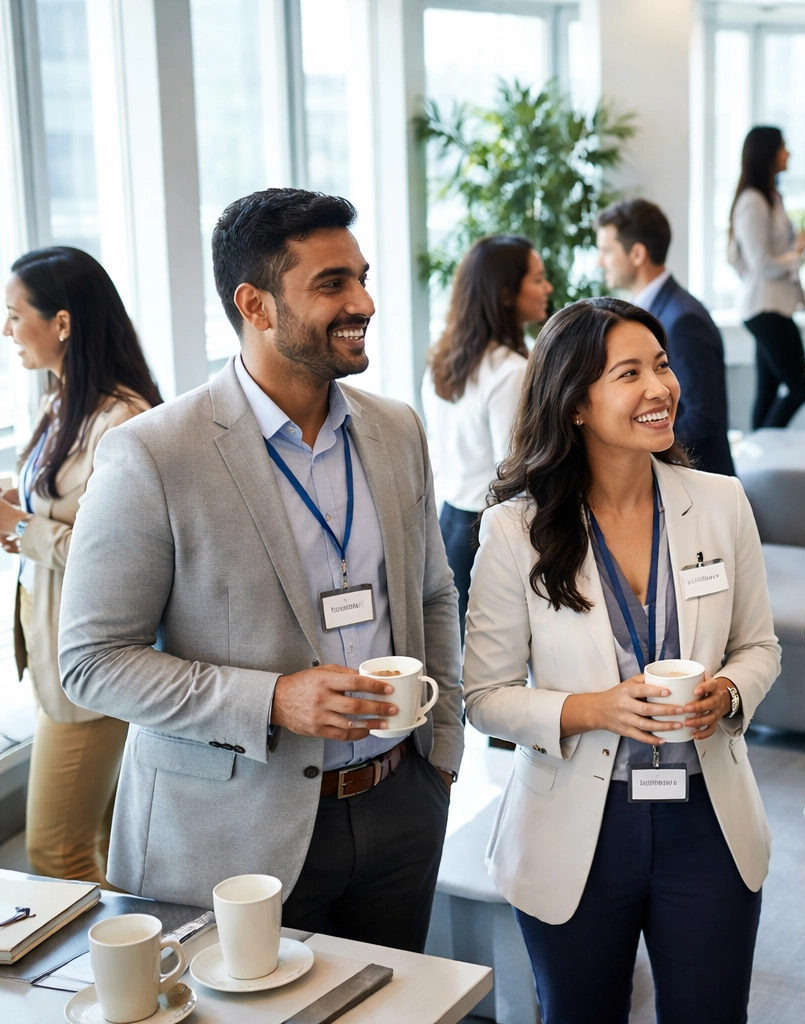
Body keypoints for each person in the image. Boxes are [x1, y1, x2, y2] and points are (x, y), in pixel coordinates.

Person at [59, 189, 463, 951]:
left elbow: (434, 594)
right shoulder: (153, 453)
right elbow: (90, 663)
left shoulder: (396, 429)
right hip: (229, 835)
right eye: (332, 284)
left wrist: (438, 758)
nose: (365, 302)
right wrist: (271, 700)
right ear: (256, 304)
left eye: (362, 277)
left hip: (397, 807)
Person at [462, 297, 780, 1023]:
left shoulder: (721, 502)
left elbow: (759, 646)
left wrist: (728, 693)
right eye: (629, 373)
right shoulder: (516, 529)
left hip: (708, 821)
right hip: (577, 821)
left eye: (662, 367)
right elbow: (484, 694)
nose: (660, 388)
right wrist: (591, 709)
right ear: (575, 402)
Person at [1, 248, 161, 885]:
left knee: (55, 854)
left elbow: (118, 557)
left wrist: (17, 526)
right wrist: (23, 507)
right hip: (55, 655)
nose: (6, 331)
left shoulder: (121, 420)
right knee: (104, 842)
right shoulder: (60, 400)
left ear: (61, 322)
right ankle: (130, 978)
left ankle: (101, 981)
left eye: (14, 316)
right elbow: (61, 508)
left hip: (91, 666)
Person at [422, 234, 551, 636]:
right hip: (490, 527)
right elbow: (515, 474)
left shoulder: (443, 361)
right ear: (507, 293)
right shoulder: (511, 371)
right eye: (539, 279)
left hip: (450, 523)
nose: (548, 288)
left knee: (464, 653)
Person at [597, 198, 734, 475]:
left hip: (695, 484)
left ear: (637, 254)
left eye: (607, 251)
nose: (600, 261)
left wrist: (632, 442)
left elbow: (702, 419)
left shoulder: (683, 320)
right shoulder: (650, 310)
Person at [728, 125, 805, 430]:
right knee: (800, 386)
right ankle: (764, 449)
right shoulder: (752, 201)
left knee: (767, 391)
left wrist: (793, 249)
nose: (788, 153)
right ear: (769, 153)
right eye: (783, 147)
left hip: (774, 306)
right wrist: (799, 252)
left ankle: (758, 456)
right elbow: (760, 263)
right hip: (765, 309)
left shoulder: (771, 197)